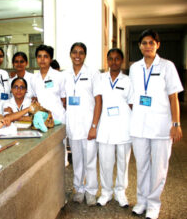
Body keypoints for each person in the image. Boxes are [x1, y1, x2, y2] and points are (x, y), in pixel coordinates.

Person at [129, 29, 183, 219]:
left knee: (159, 167)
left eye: (152, 42)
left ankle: (153, 204)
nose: (148, 46)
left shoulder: (167, 66)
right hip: (139, 125)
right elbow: (132, 97)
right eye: (144, 43)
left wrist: (176, 123)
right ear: (139, 46)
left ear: (158, 45)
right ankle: (141, 201)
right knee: (142, 165)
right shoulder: (135, 68)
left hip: (161, 125)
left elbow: (174, 96)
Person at [64, 42, 102, 206]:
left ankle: (91, 191)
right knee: (77, 160)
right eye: (74, 52)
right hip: (73, 125)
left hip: (88, 126)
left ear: (85, 55)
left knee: (90, 160)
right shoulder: (65, 74)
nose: (77, 55)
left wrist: (94, 126)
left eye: (80, 52)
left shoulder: (93, 73)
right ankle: (79, 189)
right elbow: (63, 99)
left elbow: (98, 101)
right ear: (70, 54)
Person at [96, 48, 133, 207]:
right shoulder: (100, 79)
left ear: (122, 61)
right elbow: (98, 102)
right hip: (105, 127)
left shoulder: (128, 81)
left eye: (117, 59)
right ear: (107, 61)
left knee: (123, 161)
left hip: (124, 126)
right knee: (105, 162)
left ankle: (120, 192)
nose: (114, 62)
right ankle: (106, 192)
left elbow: (132, 104)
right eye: (110, 59)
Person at [30, 44, 66, 123]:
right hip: (42, 119)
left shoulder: (59, 76)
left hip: (58, 118)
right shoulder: (33, 78)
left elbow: (64, 100)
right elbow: (34, 98)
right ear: (36, 58)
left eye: (46, 56)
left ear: (51, 59)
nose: (42, 59)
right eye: (39, 56)